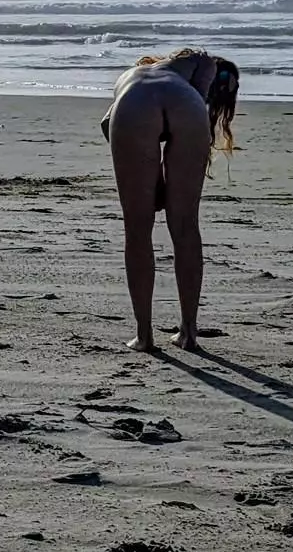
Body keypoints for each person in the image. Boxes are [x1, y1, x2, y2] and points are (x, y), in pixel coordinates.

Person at [98, 48, 240, 352]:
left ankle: (144, 335)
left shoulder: (136, 74)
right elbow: (199, 97)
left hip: (131, 106)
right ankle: (188, 331)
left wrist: (153, 182)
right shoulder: (205, 61)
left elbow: (106, 124)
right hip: (185, 107)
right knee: (186, 227)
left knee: (137, 230)